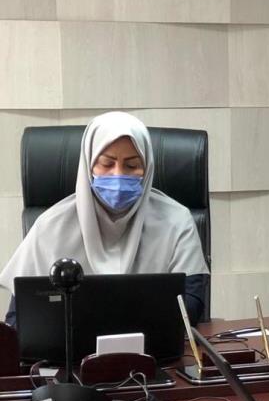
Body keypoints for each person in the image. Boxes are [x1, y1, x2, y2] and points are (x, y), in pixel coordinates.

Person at [0, 111, 209, 326]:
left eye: (131, 165)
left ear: (147, 168)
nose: (118, 175)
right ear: (89, 165)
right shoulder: (50, 226)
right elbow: (18, 318)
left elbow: (191, 305)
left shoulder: (177, 221)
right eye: (107, 164)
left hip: (153, 346)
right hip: (67, 347)